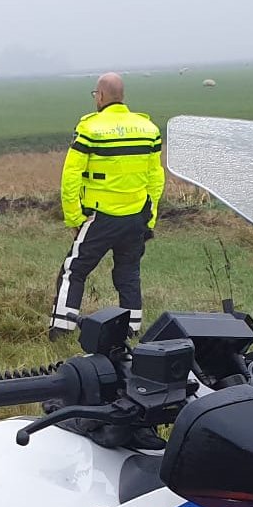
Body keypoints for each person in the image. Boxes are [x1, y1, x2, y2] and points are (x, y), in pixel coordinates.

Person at [49, 72, 163, 338]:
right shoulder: (149, 129)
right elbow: (156, 179)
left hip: (100, 217)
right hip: (136, 216)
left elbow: (71, 176)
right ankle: (132, 331)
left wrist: (74, 217)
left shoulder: (90, 128)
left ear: (100, 96)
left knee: (73, 271)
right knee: (129, 274)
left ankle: (61, 330)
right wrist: (150, 217)